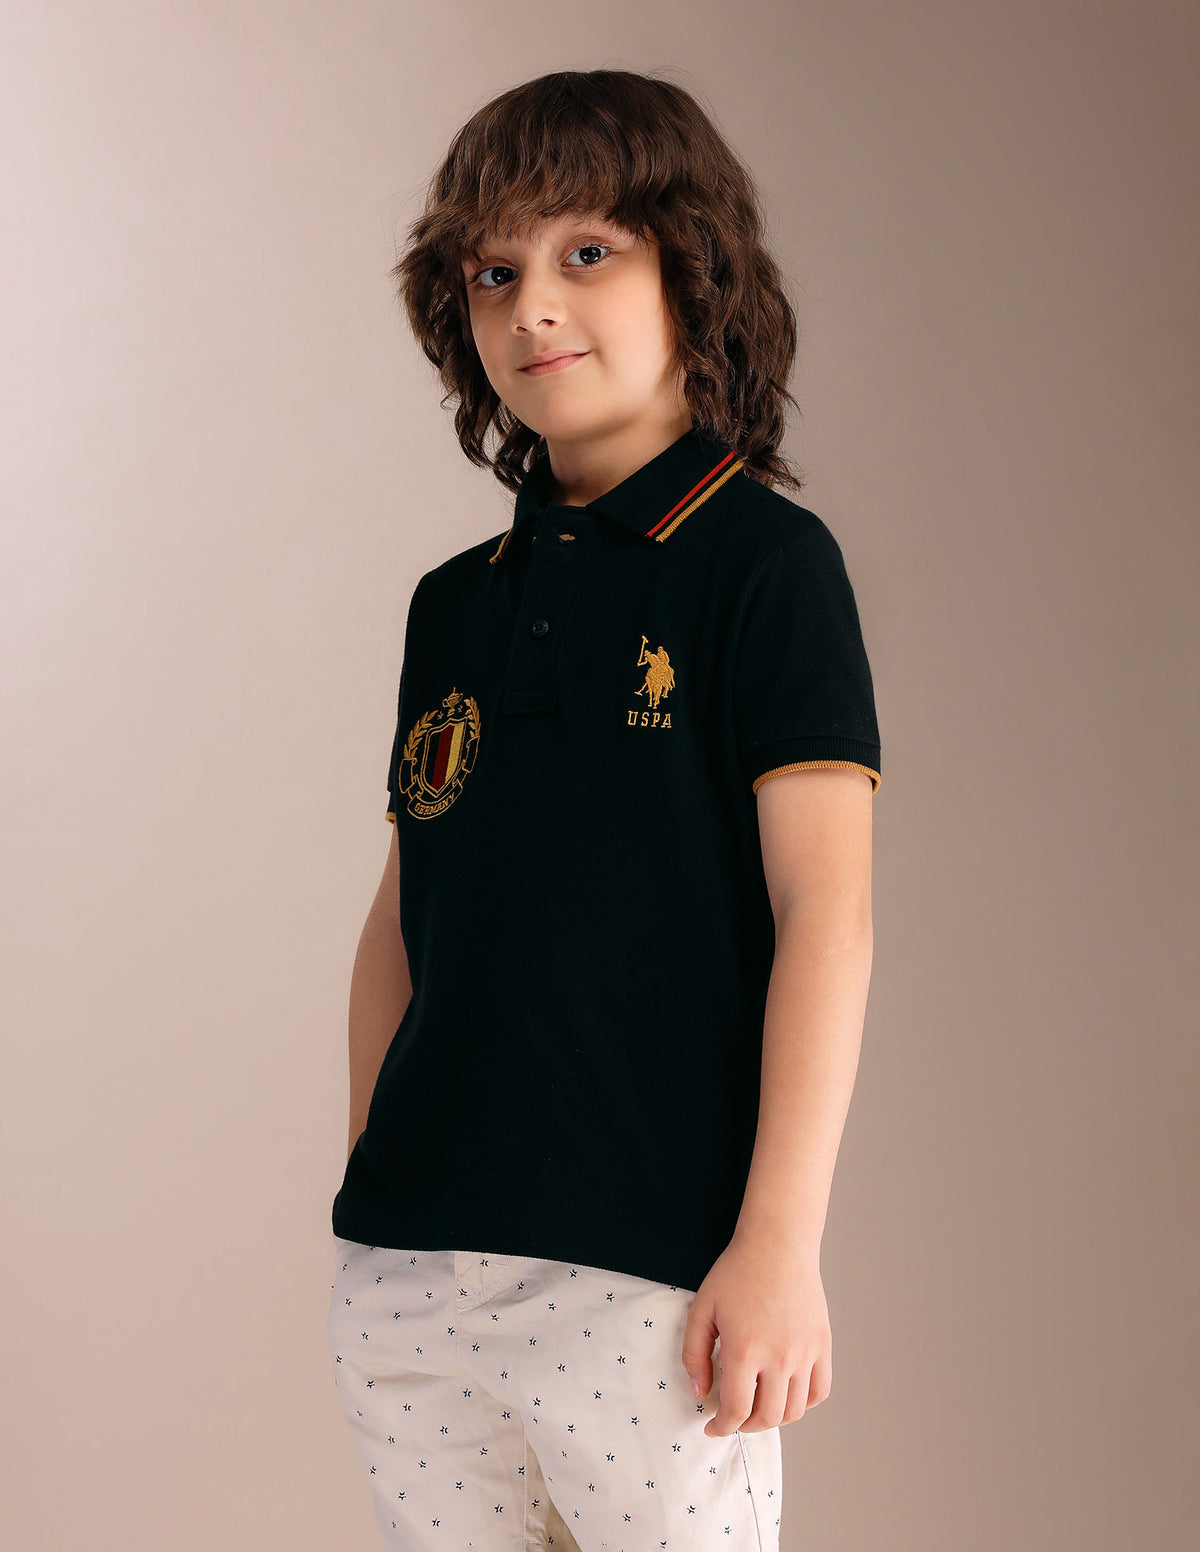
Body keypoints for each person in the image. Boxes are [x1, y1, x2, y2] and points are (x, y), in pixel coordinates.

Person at [325, 67, 882, 1552]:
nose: (534, 308)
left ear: (692, 270)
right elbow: (404, 916)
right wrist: (380, 1173)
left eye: (587, 252)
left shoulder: (765, 566)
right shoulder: (455, 605)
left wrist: (779, 1247)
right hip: (413, 1286)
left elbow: (826, 913)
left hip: (649, 1282)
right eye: (493, 272)